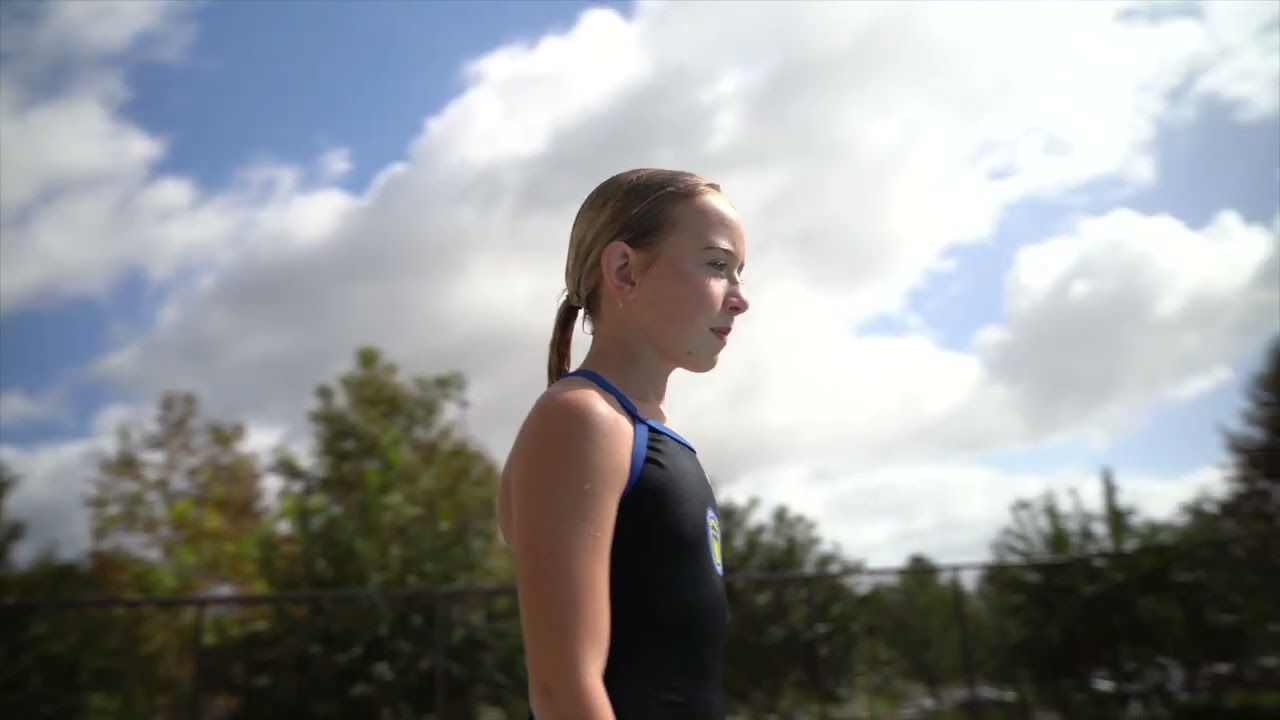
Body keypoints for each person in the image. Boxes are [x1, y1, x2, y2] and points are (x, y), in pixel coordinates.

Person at [498, 168, 751, 720]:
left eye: (738, 272)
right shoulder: (581, 421)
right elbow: (564, 688)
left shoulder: (654, 439)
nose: (740, 299)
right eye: (716, 265)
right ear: (624, 271)